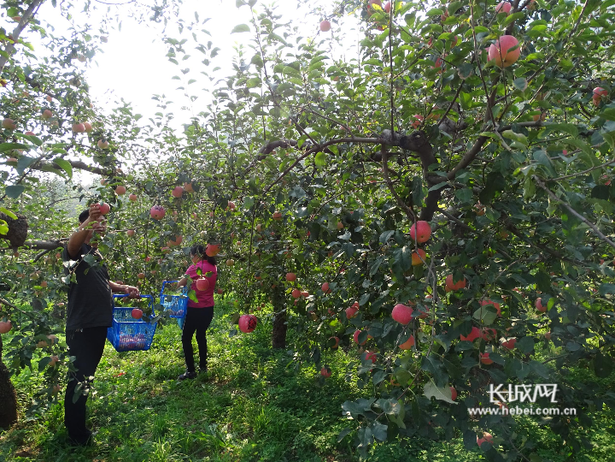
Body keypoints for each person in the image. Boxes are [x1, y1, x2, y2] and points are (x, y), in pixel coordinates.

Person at [62, 203, 140, 446]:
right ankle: (76, 435)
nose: (103, 228)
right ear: (86, 226)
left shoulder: (96, 253)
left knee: (86, 377)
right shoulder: (77, 251)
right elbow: (70, 245)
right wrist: (89, 222)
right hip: (82, 325)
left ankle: (76, 424)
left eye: (103, 224)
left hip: (97, 324)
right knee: (79, 379)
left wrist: (122, 287)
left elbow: (104, 280)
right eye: (98, 224)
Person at [176, 244, 217, 380]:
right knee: (201, 336)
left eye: (191, 255)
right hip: (208, 308)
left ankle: (191, 371)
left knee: (186, 338)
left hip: (195, 309)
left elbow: (180, 284)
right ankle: (203, 367)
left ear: (196, 255)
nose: (190, 258)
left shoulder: (195, 268)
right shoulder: (212, 267)